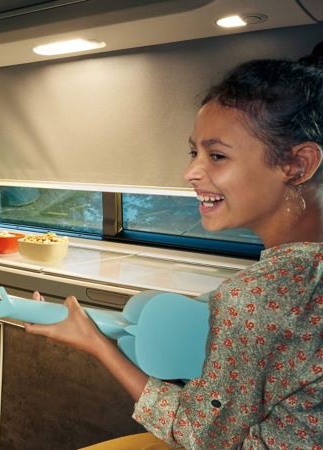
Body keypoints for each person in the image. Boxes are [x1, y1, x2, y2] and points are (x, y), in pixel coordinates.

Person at [26, 52, 323, 449]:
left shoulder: (255, 299)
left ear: (297, 164)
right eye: (194, 152)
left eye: (217, 155)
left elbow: (204, 438)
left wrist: (97, 345)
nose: (190, 172)